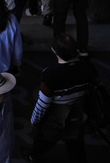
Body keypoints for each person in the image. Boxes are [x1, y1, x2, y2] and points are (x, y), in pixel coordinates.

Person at [28, 34, 95, 162]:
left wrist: (34, 119)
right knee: (76, 145)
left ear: (55, 51)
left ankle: (33, 155)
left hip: (55, 116)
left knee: (45, 139)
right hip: (77, 112)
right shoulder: (87, 67)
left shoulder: (50, 74)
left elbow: (43, 104)